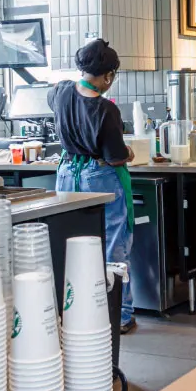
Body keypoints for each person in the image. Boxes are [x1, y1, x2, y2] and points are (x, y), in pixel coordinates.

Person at [48, 39, 137, 334]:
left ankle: (76, 312)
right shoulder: (105, 109)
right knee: (112, 245)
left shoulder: (59, 92)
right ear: (108, 76)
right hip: (98, 176)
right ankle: (118, 316)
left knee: (72, 243)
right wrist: (129, 153)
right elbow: (115, 157)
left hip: (66, 174)